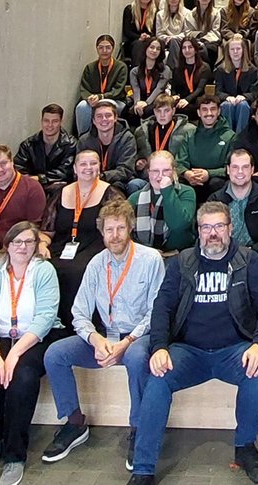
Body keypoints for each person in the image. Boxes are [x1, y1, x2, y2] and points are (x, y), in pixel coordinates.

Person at [128, 202, 258, 485]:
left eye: (219, 226)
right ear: (198, 231)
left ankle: (245, 447)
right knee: (157, 376)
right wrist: (159, 347)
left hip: (234, 349)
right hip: (189, 351)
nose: (213, 233)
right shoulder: (182, 262)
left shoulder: (247, 260)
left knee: (257, 369)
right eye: (206, 227)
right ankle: (143, 468)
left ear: (230, 229)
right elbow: (162, 307)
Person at [42, 200, 164, 471]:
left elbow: (157, 312)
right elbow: (79, 312)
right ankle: (74, 422)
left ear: (130, 228)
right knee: (55, 354)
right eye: (109, 229)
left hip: (136, 338)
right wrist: (95, 340)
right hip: (104, 339)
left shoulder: (150, 259)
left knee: (135, 358)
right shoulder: (97, 263)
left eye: (120, 228)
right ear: (102, 232)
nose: (115, 235)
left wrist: (126, 342)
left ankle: (139, 429)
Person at [0, 222, 61, 485]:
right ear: (7, 245)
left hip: (33, 338)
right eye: (17, 242)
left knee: (22, 380)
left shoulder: (44, 272)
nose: (23, 247)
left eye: (28, 242)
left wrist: (14, 354)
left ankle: (14, 456)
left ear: (36, 246)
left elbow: (45, 318)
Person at [41, 150, 125, 327]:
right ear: (75, 168)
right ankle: (47, 323)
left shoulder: (110, 194)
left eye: (93, 163)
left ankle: (77, 324)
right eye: (83, 164)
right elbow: (47, 231)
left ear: (100, 167)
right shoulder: (60, 193)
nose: (88, 168)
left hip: (94, 247)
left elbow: (119, 228)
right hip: (62, 247)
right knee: (44, 267)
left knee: (76, 271)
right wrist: (42, 244)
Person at [210, 149, 258, 298]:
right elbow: (206, 233)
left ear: (252, 170)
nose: (240, 172)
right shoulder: (216, 199)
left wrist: (252, 250)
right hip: (225, 252)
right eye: (235, 167)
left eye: (245, 167)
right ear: (227, 170)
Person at [0, 145, 47, 251]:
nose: (0, 170)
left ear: (12, 162)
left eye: (3, 163)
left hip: (19, 251)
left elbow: (34, 228)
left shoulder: (32, 188)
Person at [128, 150, 197, 254]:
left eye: (166, 171)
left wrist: (167, 190)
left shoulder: (186, 192)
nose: (160, 176)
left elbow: (178, 224)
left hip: (179, 255)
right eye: (155, 171)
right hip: (144, 256)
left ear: (174, 172)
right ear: (148, 172)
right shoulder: (135, 198)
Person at [174, 94, 235, 203]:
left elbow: (231, 168)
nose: (209, 114)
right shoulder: (189, 135)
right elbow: (179, 163)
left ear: (219, 111)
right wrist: (187, 174)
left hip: (215, 182)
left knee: (217, 183)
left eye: (213, 109)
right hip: (192, 180)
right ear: (199, 113)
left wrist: (209, 174)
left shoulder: (230, 136)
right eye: (204, 110)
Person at [129, 95, 194, 194]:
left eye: (166, 111)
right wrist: (138, 163)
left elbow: (189, 158)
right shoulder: (142, 131)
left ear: (173, 111)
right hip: (150, 178)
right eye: (159, 111)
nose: (162, 115)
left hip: (176, 178)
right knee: (134, 184)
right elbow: (136, 156)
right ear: (154, 112)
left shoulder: (188, 130)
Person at [14, 104, 77, 197]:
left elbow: (65, 172)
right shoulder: (28, 144)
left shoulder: (71, 144)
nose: (50, 125)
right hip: (32, 189)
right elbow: (18, 168)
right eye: (46, 121)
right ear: (41, 121)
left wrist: (39, 178)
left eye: (55, 121)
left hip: (60, 193)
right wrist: (32, 181)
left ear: (61, 122)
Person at [77, 100, 137, 193]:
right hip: (89, 181)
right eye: (99, 116)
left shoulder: (127, 138)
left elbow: (126, 170)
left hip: (118, 183)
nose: (104, 119)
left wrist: (103, 176)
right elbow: (78, 167)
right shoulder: (84, 141)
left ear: (115, 118)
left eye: (108, 115)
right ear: (93, 121)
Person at [75, 34, 128, 135]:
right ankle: (83, 137)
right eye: (101, 48)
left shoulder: (121, 67)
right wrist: (89, 99)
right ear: (97, 49)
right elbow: (84, 88)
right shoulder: (90, 68)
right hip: (93, 100)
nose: (104, 51)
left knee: (106, 105)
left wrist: (101, 97)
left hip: (115, 99)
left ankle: (107, 136)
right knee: (82, 106)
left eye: (108, 47)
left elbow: (118, 89)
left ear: (113, 48)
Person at [215, 34, 258, 134]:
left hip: (245, 103)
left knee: (243, 105)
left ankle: (241, 137)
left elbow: (255, 92)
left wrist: (244, 97)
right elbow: (218, 92)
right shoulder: (220, 69)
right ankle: (228, 136)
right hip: (228, 102)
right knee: (227, 105)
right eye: (232, 49)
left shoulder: (252, 70)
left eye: (238, 49)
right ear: (228, 52)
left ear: (243, 50)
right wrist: (227, 97)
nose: (235, 52)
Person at [128, 37, 171, 124]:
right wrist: (138, 103)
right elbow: (136, 89)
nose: (154, 50)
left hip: (156, 101)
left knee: (147, 111)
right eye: (151, 47)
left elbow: (159, 89)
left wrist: (146, 103)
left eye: (158, 49)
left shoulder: (165, 70)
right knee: (129, 112)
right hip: (140, 100)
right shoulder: (135, 71)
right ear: (146, 48)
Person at [169, 37, 213, 120]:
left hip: (197, 100)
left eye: (190, 47)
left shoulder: (204, 67)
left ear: (196, 50)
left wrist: (187, 100)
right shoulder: (177, 69)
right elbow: (174, 88)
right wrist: (174, 96)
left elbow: (200, 89)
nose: (187, 50)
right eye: (184, 48)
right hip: (181, 101)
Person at [121, 0, 157, 67]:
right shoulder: (130, 9)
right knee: (139, 44)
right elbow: (127, 31)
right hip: (133, 42)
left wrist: (148, 36)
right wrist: (139, 37)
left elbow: (154, 31)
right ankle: (136, 72)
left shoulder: (154, 12)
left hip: (148, 41)